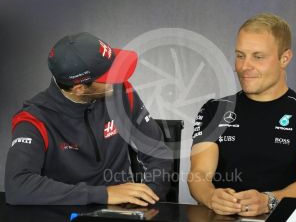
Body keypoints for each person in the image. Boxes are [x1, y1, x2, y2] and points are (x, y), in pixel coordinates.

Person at [188, 13, 296, 216]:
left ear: (284, 58)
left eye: (258, 57)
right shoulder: (214, 110)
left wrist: (269, 201)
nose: (244, 67)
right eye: (240, 55)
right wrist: (211, 197)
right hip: (222, 217)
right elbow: (199, 174)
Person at [5, 32, 172, 205]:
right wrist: (103, 195)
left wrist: (145, 197)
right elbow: (17, 186)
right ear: (79, 89)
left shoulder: (122, 93)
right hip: (66, 212)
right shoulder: (34, 119)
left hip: (124, 211)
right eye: (109, 76)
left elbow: (157, 151)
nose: (119, 77)